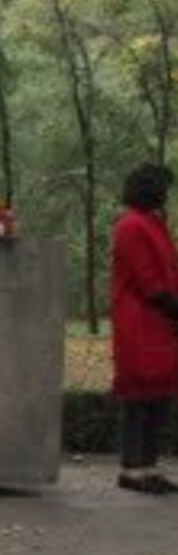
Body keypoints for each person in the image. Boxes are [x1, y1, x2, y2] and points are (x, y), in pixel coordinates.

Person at [109, 163, 178, 495]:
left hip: (160, 321)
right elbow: (149, 282)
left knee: (158, 396)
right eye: (163, 186)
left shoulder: (154, 223)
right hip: (138, 320)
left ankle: (149, 468)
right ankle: (131, 470)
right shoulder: (131, 226)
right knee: (138, 396)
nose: (166, 193)